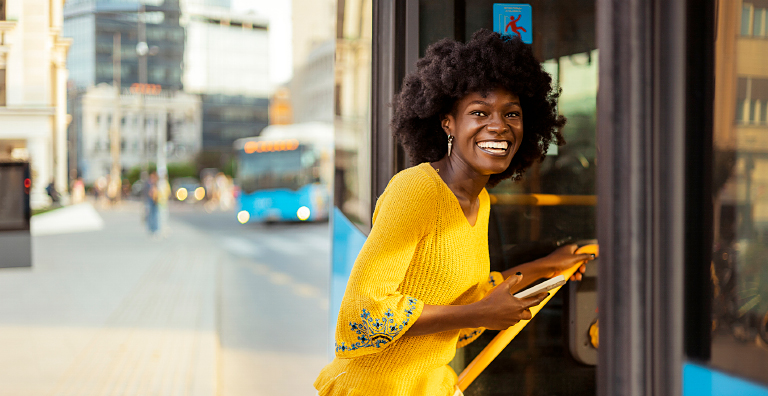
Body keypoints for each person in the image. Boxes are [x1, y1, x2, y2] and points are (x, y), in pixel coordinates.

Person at [314, 30, 596, 396]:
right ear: (447, 122)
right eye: (480, 112)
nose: (499, 126)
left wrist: (549, 266)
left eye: (512, 113)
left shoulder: (482, 201)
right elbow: (363, 315)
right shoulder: (415, 190)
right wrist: (480, 315)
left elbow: (469, 296)